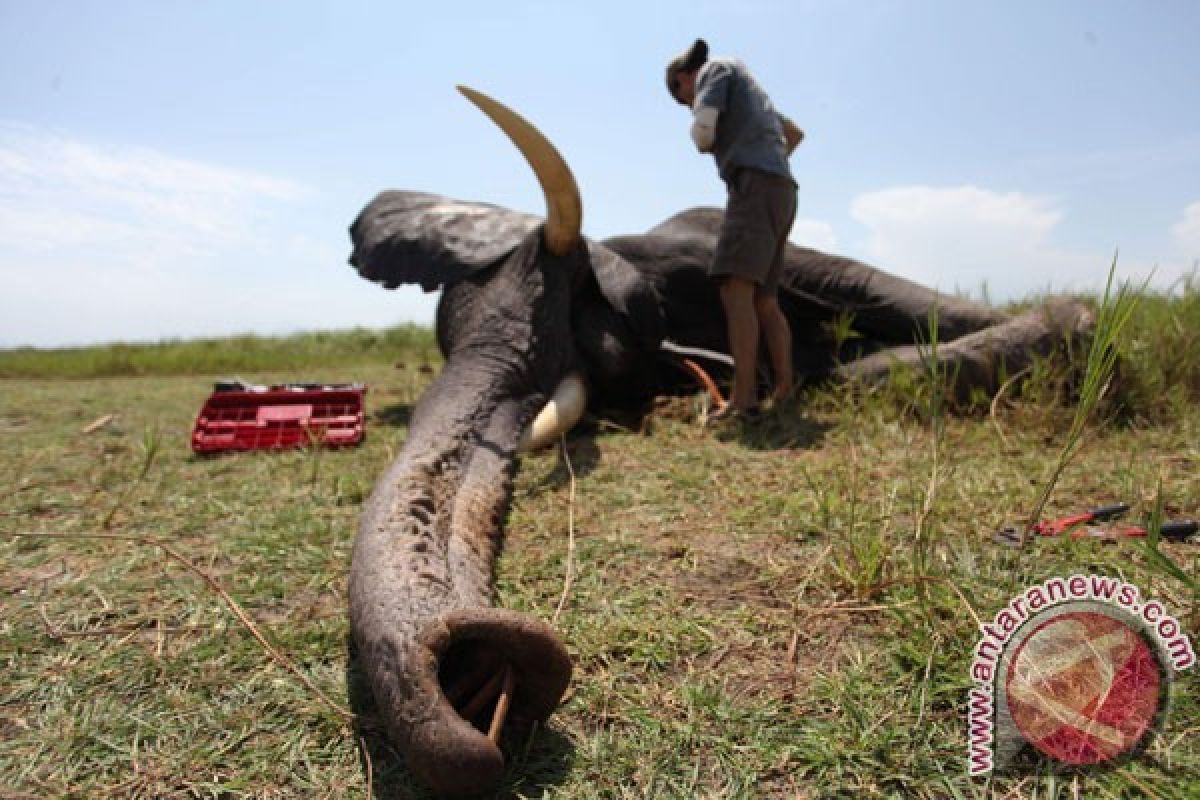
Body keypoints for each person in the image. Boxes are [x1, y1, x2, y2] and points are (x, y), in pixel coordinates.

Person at [665, 38, 804, 419]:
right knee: (766, 299)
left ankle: (744, 400)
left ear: (682, 77)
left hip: (754, 187)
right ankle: (785, 390)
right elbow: (793, 134)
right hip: (782, 190)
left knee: (735, 290)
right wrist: (767, 160)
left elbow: (704, 132)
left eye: (682, 99)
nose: (687, 106)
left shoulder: (715, 71)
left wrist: (704, 133)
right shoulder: (753, 95)